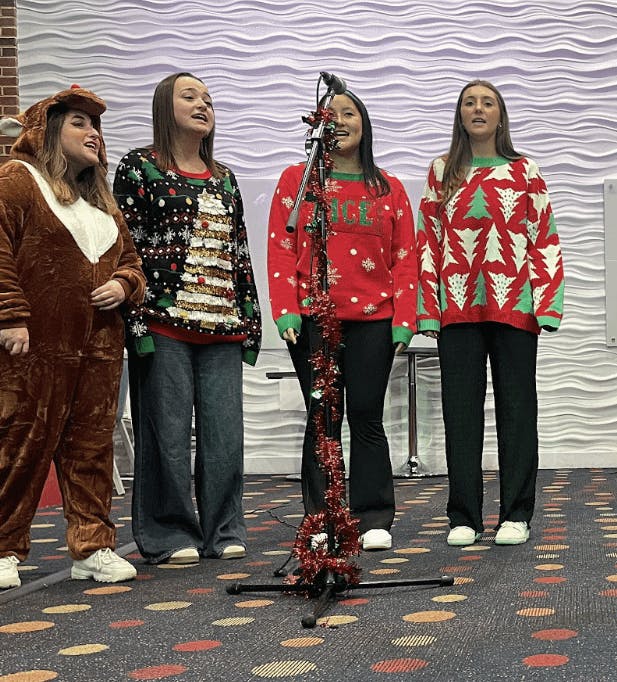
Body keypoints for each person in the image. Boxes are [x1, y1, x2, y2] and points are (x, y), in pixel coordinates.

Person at [114, 72, 263, 564]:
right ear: (164, 106)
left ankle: (224, 529)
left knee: (224, 437)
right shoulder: (139, 168)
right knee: (167, 435)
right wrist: (133, 324)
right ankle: (169, 532)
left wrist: (250, 319)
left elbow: (239, 252)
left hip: (222, 325)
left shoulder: (224, 177)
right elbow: (125, 249)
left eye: (208, 99)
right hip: (161, 324)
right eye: (190, 96)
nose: (203, 105)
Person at [0, 86, 145, 588]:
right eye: (80, 123)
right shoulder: (17, 181)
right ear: (47, 131)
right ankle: (3, 547)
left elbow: (132, 264)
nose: (94, 134)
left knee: (91, 448)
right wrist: (10, 316)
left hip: (100, 350)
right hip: (34, 346)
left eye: (96, 125)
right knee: (22, 441)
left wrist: (124, 285)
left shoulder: (101, 202)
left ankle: (93, 546)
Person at [415, 80, 564, 547]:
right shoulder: (442, 171)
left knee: (518, 412)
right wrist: (427, 309)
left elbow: (544, 237)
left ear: (501, 115)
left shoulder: (525, 171)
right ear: (459, 115)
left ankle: (516, 513)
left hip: (515, 307)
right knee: (460, 413)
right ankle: (464, 515)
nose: (478, 110)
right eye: (469, 103)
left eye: (488, 103)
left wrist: (548, 303)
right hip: (457, 309)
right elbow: (428, 242)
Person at [268, 88, 417, 552]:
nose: (340, 121)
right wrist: (285, 308)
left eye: (349, 113)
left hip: (374, 319)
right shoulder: (297, 180)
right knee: (322, 417)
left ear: (364, 123)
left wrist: (404, 319)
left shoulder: (388, 187)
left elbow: (406, 256)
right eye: (330, 114)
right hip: (313, 318)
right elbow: (280, 246)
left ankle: (373, 516)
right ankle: (320, 518)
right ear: (316, 123)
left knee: (367, 417)